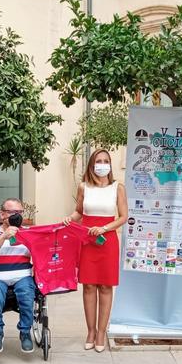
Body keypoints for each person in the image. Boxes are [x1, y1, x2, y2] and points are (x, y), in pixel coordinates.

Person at [63, 149, 128, 352]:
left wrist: (105, 228)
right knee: (89, 286)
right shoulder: (84, 187)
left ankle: (101, 332)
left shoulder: (118, 188)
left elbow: (124, 216)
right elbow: (79, 211)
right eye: (98, 161)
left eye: (106, 161)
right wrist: (69, 219)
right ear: (92, 165)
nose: (102, 164)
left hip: (107, 240)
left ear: (110, 164)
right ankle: (90, 331)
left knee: (106, 287)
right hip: (87, 240)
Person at [0, 198, 35, 354]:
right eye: (12, 212)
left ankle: (25, 332)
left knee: (27, 293)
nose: (17, 215)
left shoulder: (28, 232)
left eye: (20, 212)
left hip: (22, 275)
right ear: (2, 214)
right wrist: (3, 237)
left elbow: (39, 254)